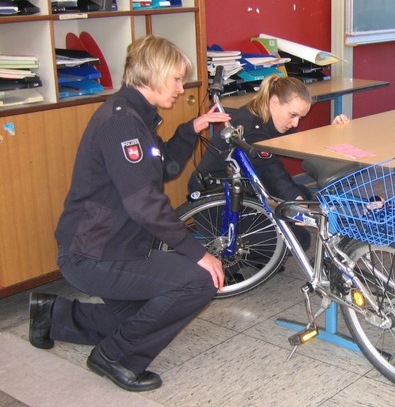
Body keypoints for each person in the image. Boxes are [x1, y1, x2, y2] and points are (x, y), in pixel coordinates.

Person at [28, 35, 231, 392]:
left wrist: (189, 129)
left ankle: (54, 316)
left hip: (115, 247)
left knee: (143, 318)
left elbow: (164, 167)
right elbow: (144, 203)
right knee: (198, 281)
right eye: (176, 79)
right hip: (95, 253)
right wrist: (197, 254)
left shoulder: (135, 115)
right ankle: (116, 357)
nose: (181, 88)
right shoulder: (121, 122)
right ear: (152, 74)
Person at [189, 74, 349, 249]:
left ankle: (261, 257)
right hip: (216, 201)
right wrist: (297, 202)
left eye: (299, 117)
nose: (295, 123)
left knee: (304, 195)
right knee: (298, 238)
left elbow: (300, 140)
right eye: (293, 115)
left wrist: (331, 132)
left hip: (242, 190)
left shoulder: (262, 115)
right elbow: (272, 172)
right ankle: (243, 261)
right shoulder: (251, 129)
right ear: (274, 102)